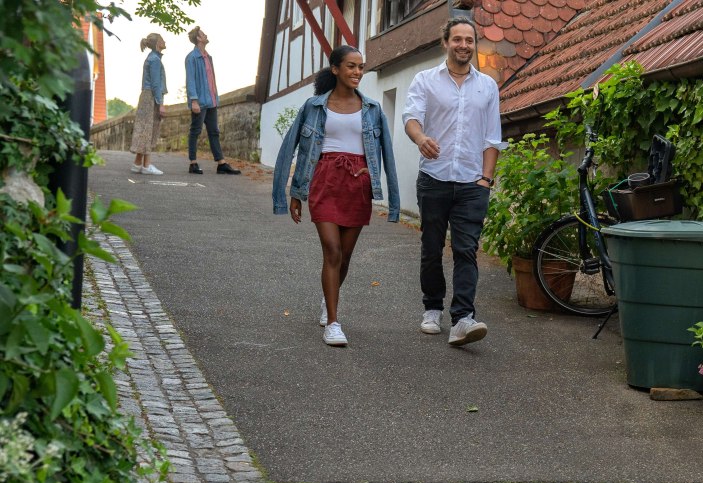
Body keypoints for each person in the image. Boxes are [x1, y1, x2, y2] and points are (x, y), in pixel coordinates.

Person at [272, 45, 401, 347]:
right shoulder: (314, 106)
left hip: (357, 185)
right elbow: (289, 147)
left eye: (361, 67)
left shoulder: (372, 109)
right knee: (331, 251)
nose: (357, 72)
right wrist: (293, 194)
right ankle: (333, 322)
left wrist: (381, 186)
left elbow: (388, 155)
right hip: (324, 179)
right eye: (351, 66)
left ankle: (327, 300)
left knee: (344, 257)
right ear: (335, 69)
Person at [403, 16, 505, 347]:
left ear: (475, 45)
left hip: (472, 183)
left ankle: (462, 319)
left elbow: (492, 138)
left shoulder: (487, 86)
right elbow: (411, 118)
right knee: (432, 248)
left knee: (466, 249)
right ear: (445, 42)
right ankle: (432, 309)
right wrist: (420, 139)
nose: (463, 45)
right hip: (434, 179)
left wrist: (486, 180)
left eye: (469, 40)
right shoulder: (425, 80)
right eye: (457, 39)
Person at [184, 26, 241, 176]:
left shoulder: (208, 57)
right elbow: (190, 80)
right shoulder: (191, 58)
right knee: (195, 131)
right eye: (203, 34)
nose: (206, 35)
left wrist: (215, 98)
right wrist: (194, 100)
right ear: (198, 38)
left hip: (211, 101)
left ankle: (221, 164)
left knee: (214, 132)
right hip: (200, 101)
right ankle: (193, 163)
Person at [130, 33, 166, 175]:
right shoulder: (155, 60)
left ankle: (138, 163)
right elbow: (156, 84)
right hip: (151, 96)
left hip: (146, 95)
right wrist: (161, 103)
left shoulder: (151, 58)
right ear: (158, 43)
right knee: (148, 130)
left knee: (145, 129)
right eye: (162, 40)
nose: (165, 42)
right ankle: (146, 166)